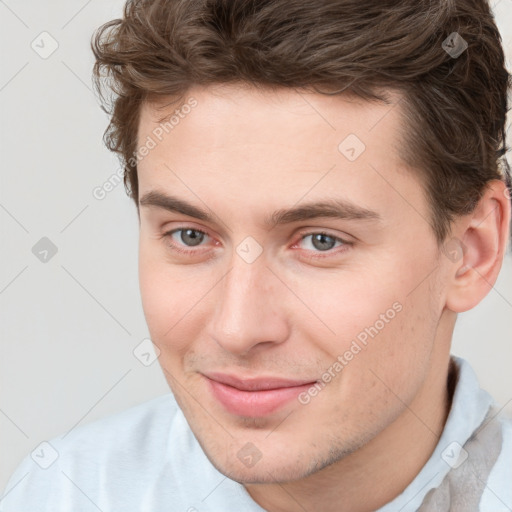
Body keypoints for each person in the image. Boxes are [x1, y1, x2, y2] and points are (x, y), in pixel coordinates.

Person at [1, 0, 511, 510]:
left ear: (471, 251)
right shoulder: (61, 494)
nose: (237, 329)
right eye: (191, 236)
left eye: (321, 241)